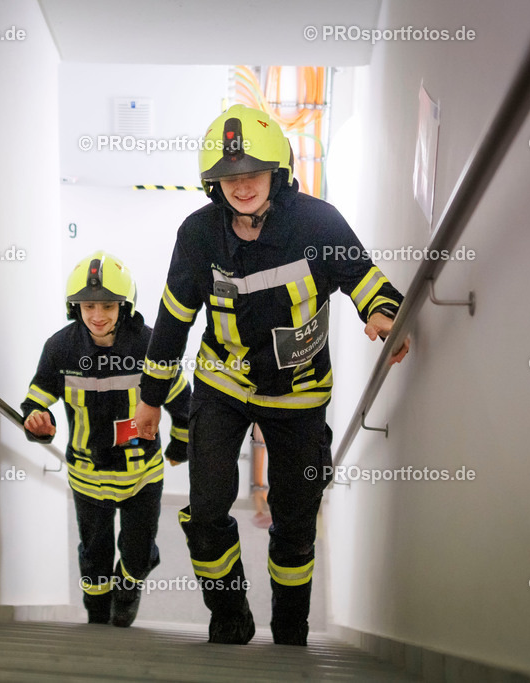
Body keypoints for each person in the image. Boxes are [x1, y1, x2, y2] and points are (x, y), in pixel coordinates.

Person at [134, 104, 409, 646]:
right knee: (207, 508)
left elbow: (364, 277)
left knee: (295, 518)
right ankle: (229, 613)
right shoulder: (197, 236)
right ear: (215, 184)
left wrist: (381, 311)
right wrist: (150, 400)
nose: (242, 187)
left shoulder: (316, 222)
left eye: (253, 174)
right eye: (230, 177)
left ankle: (289, 626)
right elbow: (172, 323)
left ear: (277, 172)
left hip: (299, 392)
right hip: (224, 382)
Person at [22, 250, 192, 627]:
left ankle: (130, 587)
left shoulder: (149, 345)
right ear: (75, 309)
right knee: (93, 555)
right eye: (87, 307)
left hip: (141, 477)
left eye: (107, 306)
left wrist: (180, 446)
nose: (97, 316)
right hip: (87, 477)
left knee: (136, 551)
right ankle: (97, 613)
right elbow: (37, 398)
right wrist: (38, 420)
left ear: (124, 306)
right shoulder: (60, 348)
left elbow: (183, 401)